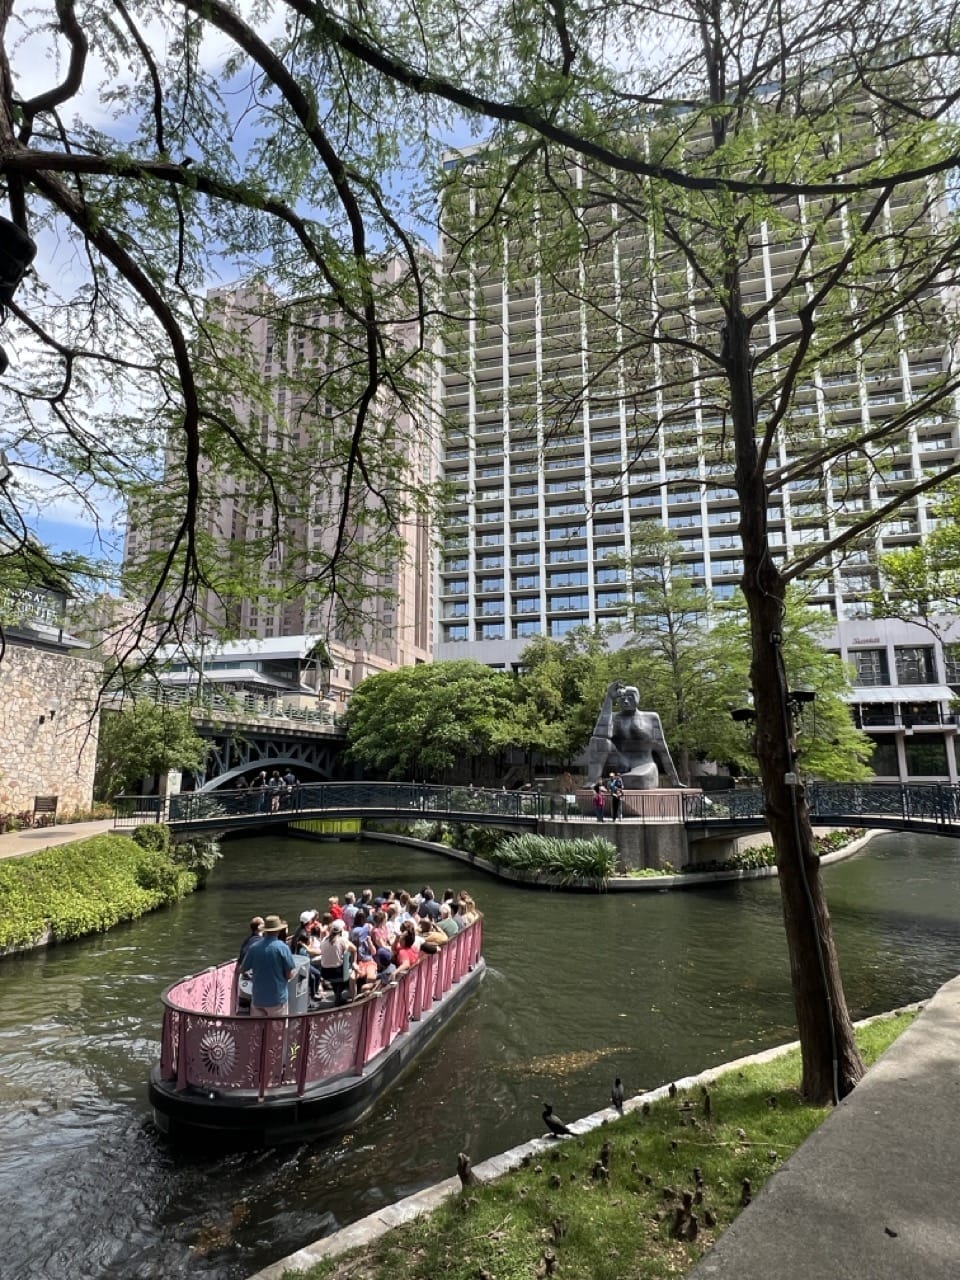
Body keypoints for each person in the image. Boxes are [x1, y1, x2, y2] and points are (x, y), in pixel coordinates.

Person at [245, 914, 296, 1017]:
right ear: (278, 931)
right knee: (278, 1031)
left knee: (258, 1030)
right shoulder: (283, 947)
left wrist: (253, 976)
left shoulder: (254, 947)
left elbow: (242, 969)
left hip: (258, 998)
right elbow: (289, 974)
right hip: (277, 998)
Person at [318, 919, 356, 1004]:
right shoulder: (342, 940)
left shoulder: (324, 940)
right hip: (338, 972)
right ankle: (351, 998)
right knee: (351, 972)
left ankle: (338, 994)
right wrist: (354, 962)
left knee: (338, 964)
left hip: (325, 973)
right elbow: (354, 949)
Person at [234, 915, 264, 1013]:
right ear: (259, 927)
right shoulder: (260, 942)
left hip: (243, 978)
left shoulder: (247, 940)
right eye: (263, 923)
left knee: (244, 1009)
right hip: (253, 978)